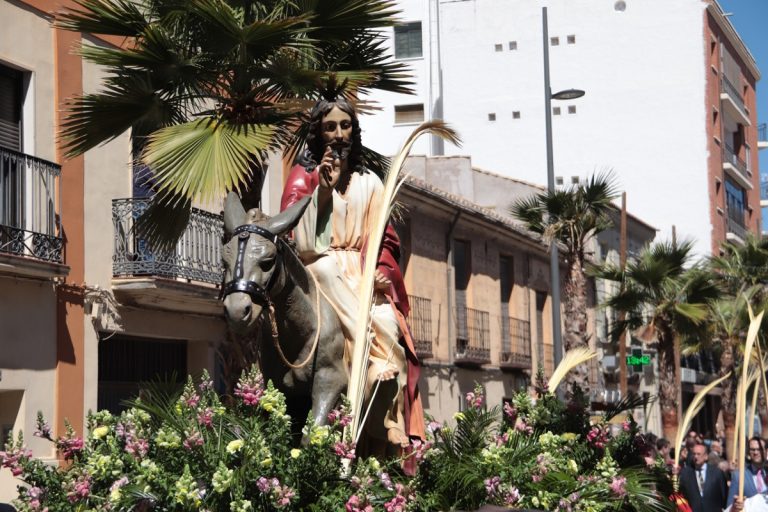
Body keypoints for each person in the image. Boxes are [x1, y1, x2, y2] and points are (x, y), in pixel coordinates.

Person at [280, 96, 425, 453]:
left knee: (388, 319)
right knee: (328, 268)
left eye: (345, 126)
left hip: (361, 273)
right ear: (318, 133)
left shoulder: (370, 182)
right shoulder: (303, 177)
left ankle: (386, 407)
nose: (338, 134)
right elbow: (296, 237)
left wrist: (380, 270)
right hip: (318, 269)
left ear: (353, 131)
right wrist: (323, 191)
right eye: (330, 127)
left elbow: (385, 238)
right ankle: (367, 358)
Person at [679, 442, 728, 512]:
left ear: (706, 456)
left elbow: (724, 494)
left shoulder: (717, 473)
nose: (696, 457)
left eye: (698, 454)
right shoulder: (685, 473)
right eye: (694, 454)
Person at [728, 437, 768, 511]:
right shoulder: (738, 476)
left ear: (766, 451)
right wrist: (734, 507)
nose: (755, 452)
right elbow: (729, 507)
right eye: (752, 449)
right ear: (749, 452)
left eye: (759, 449)